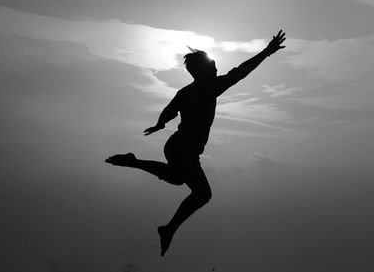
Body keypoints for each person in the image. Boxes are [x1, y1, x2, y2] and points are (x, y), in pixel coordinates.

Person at [106, 29, 286, 256]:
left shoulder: (186, 91)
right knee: (201, 193)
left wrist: (160, 124)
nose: (217, 69)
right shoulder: (211, 87)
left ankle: (138, 169)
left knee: (178, 179)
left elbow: (169, 110)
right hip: (183, 148)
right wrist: (267, 52)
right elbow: (242, 71)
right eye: (213, 67)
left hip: (177, 146)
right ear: (202, 71)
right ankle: (167, 227)